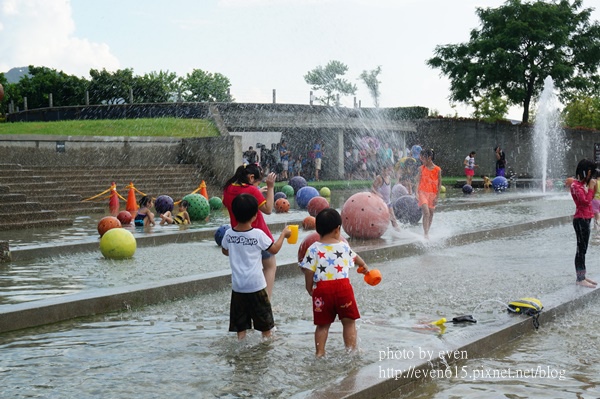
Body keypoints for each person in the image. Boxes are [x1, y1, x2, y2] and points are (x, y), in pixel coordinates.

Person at [299, 208, 370, 357]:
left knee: (322, 325)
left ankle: (320, 353)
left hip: (323, 290)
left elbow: (308, 271)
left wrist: (309, 286)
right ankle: (350, 351)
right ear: (338, 229)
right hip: (343, 288)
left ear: (317, 229)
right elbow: (357, 259)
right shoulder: (343, 246)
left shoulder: (313, 249)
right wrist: (364, 267)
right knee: (349, 322)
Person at [221, 193, 291, 340]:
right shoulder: (257, 234)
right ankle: (266, 344)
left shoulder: (228, 234)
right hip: (256, 286)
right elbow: (274, 250)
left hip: (238, 287)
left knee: (241, 326)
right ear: (255, 216)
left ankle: (242, 345)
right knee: (265, 326)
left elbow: (225, 251)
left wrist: (236, 248)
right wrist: (284, 234)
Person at [223, 163, 278, 300]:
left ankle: (246, 299)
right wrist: (270, 188)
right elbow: (268, 209)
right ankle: (266, 300)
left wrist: (255, 192)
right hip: (257, 233)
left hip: (238, 235)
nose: (257, 187)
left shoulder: (228, 188)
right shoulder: (251, 191)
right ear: (251, 178)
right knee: (270, 266)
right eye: (257, 183)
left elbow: (238, 201)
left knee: (246, 268)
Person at [570, 159, 598, 288]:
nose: (591, 176)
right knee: (580, 249)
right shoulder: (575, 185)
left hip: (586, 218)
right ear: (586, 171)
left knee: (584, 249)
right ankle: (580, 278)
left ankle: (583, 275)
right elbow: (585, 202)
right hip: (580, 220)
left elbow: (590, 199)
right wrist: (591, 188)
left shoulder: (583, 185)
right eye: (590, 173)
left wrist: (593, 187)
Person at [416, 149, 442, 239]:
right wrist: (416, 192)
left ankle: (427, 231)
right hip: (422, 193)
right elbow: (417, 181)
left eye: (423, 159)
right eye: (421, 159)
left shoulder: (437, 170)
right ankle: (425, 233)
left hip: (432, 194)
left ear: (429, 158)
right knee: (426, 212)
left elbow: (439, 184)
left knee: (431, 213)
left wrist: (437, 197)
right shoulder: (421, 168)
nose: (422, 160)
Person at [371, 164, 399, 229]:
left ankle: (398, 233)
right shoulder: (379, 178)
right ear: (383, 170)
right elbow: (372, 188)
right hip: (380, 203)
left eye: (390, 170)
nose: (389, 172)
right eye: (387, 170)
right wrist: (377, 193)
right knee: (379, 219)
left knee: (393, 219)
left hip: (388, 202)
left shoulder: (389, 177)